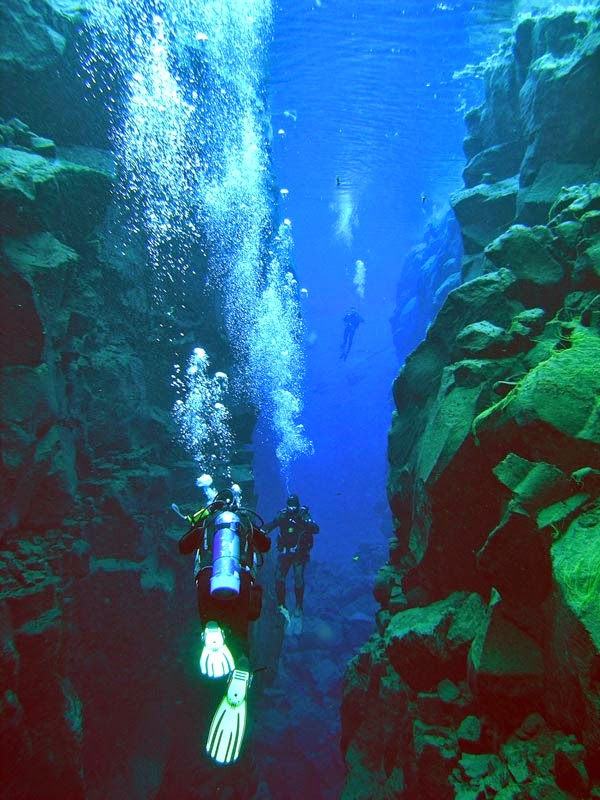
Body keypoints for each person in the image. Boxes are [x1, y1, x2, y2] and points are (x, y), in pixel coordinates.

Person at [176, 485, 270, 765]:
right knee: (241, 636)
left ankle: (211, 630)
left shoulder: (208, 521)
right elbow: (266, 545)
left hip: (209, 580)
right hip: (241, 581)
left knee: (210, 617)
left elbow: (183, 547)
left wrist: (199, 525)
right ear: (236, 503)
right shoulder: (244, 521)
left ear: (214, 503)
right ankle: (241, 666)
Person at [264, 493, 320, 634]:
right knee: (279, 577)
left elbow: (315, 529)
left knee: (298, 577)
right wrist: (261, 530)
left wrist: (303, 522)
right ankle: (281, 605)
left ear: (298, 505)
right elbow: (272, 525)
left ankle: (298, 607)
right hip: (285, 552)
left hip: (299, 554)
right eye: (289, 505)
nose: (292, 508)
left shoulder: (303, 515)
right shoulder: (283, 515)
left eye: (294, 506)